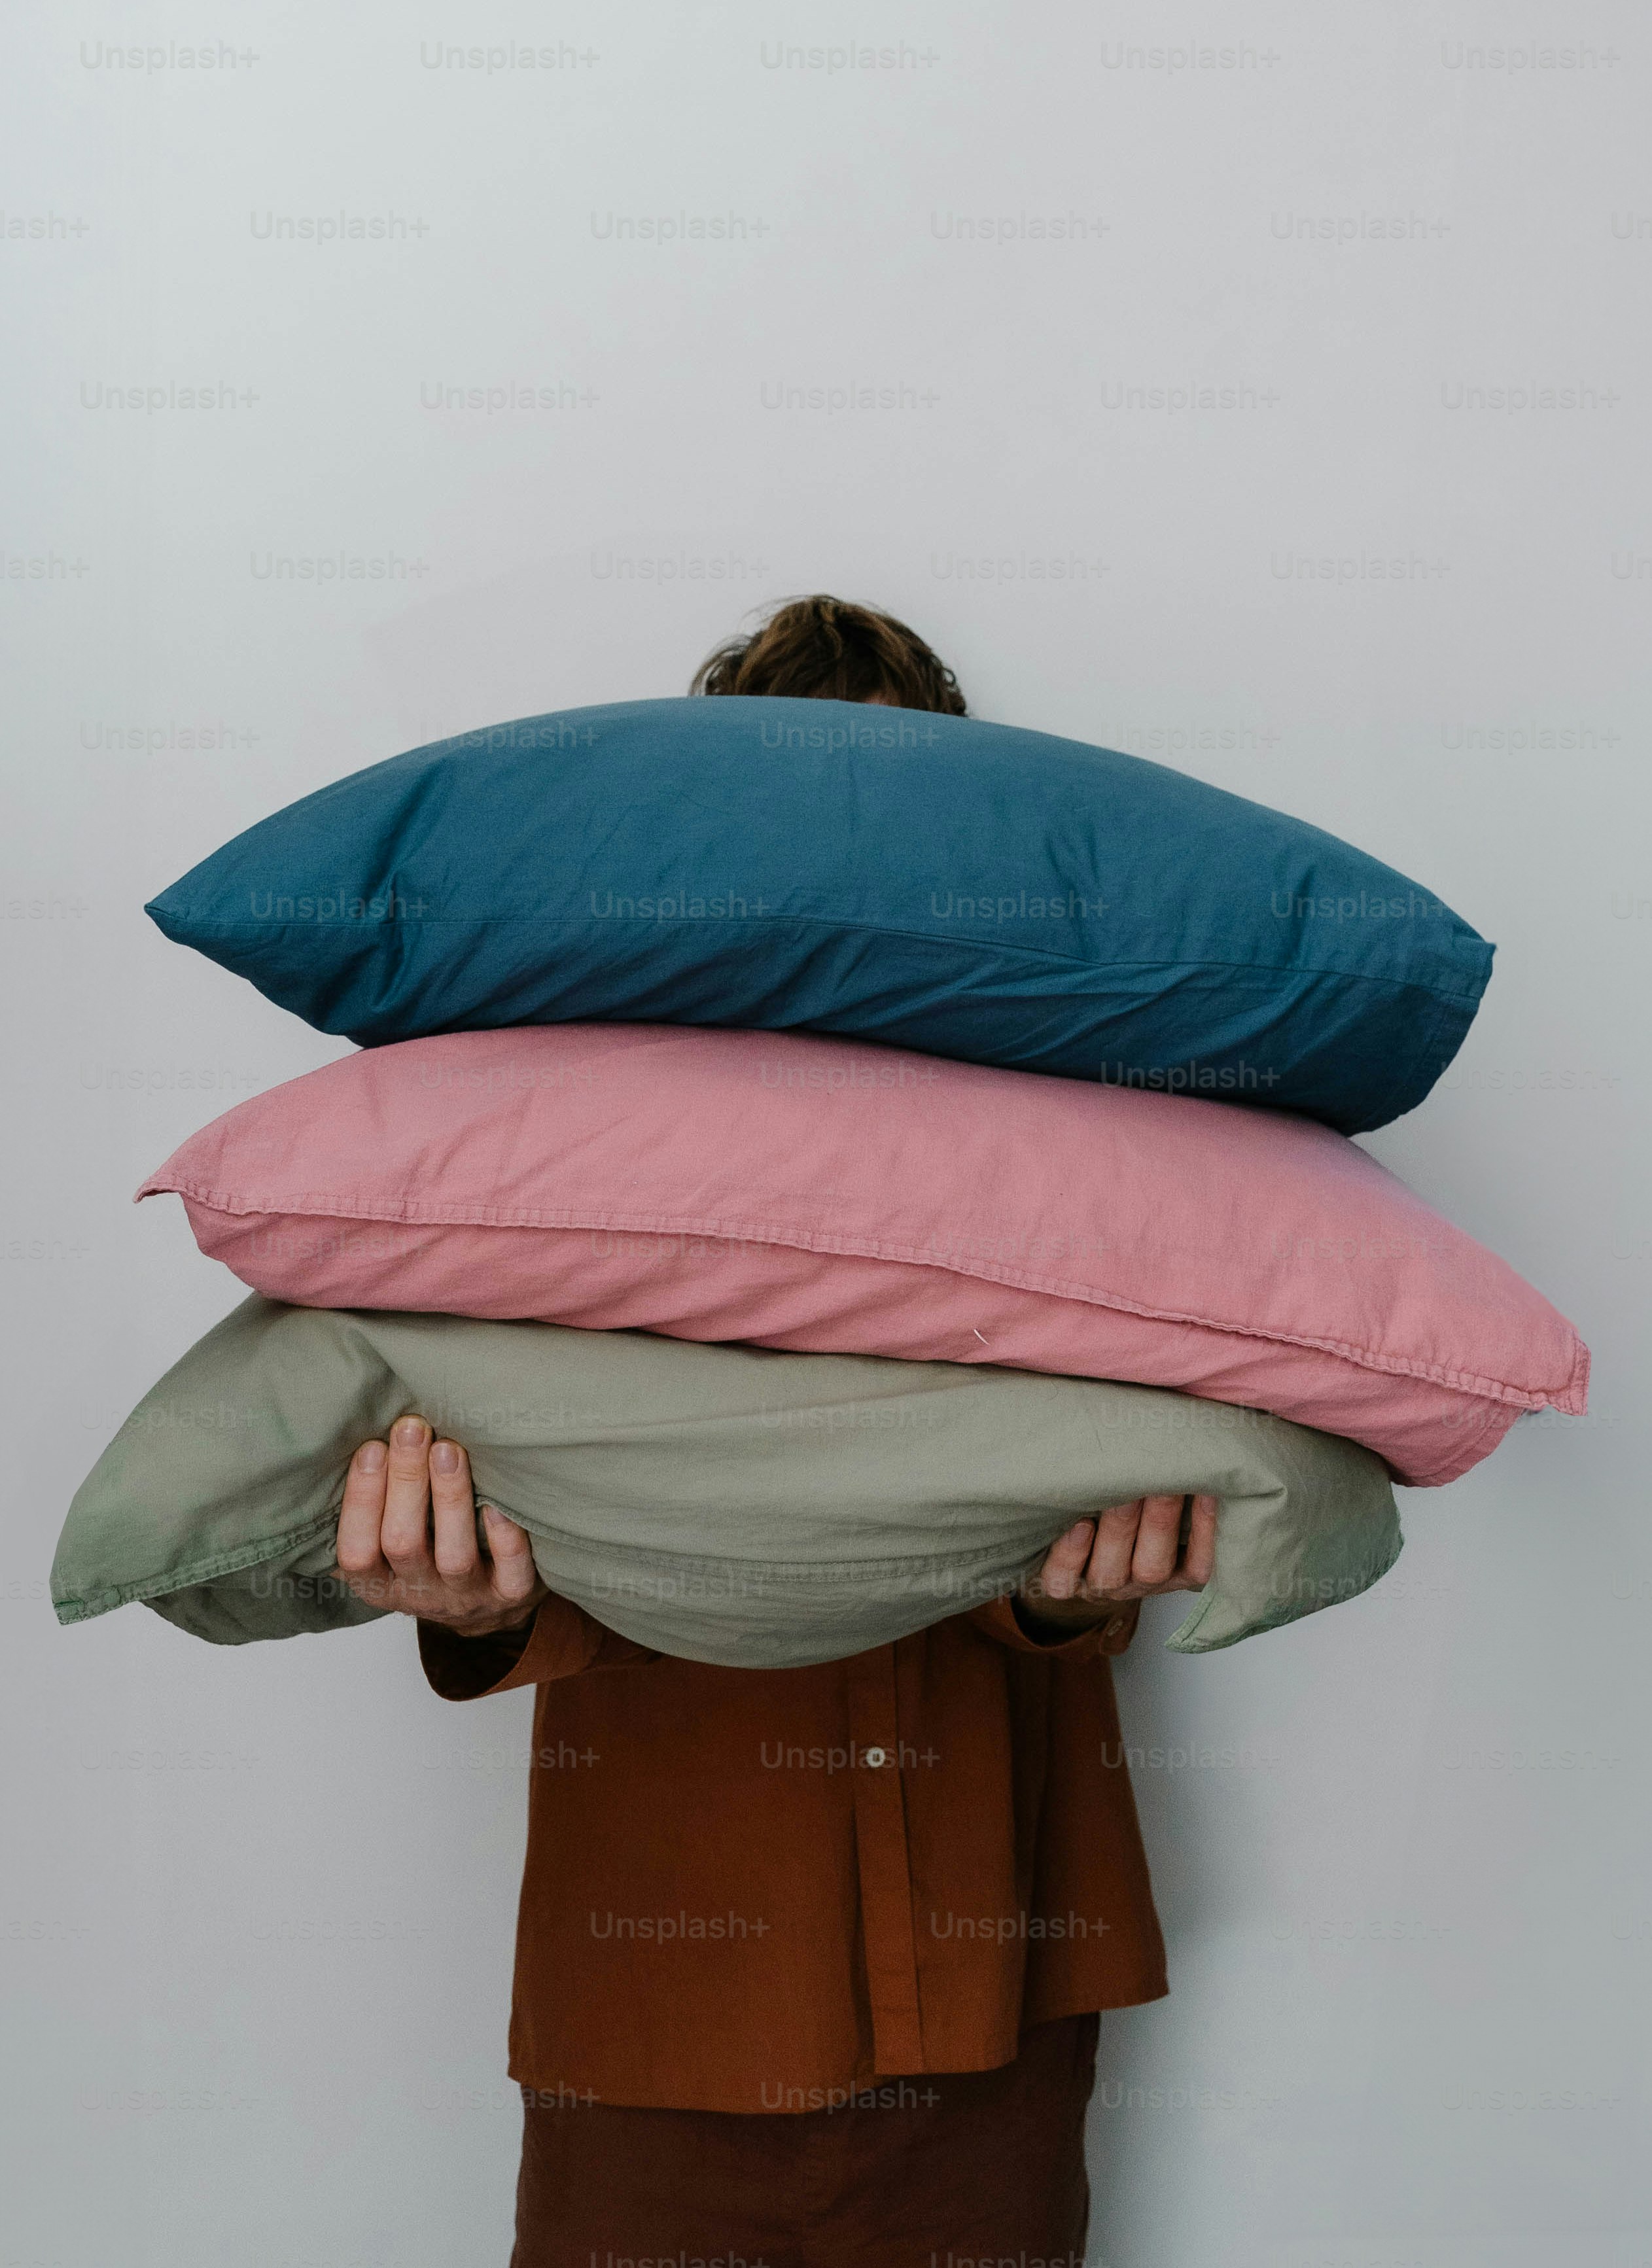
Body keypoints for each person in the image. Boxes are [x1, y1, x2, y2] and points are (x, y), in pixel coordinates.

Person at [336, 595, 1217, 2268]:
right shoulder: (566, 1159)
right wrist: (482, 1602)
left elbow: (1106, 1477)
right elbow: (524, 1465)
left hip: (998, 1965)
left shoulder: (1076, 1144)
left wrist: (1074, 1589)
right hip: (663, 1990)